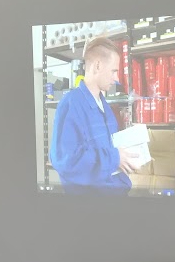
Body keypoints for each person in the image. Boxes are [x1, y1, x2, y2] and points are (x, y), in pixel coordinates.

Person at [50, 36, 141, 194]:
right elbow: (66, 161)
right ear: (97, 66)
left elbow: (109, 153)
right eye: (114, 71)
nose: (116, 79)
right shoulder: (71, 104)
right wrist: (115, 158)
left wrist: (127, 159)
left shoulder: (105, 107)